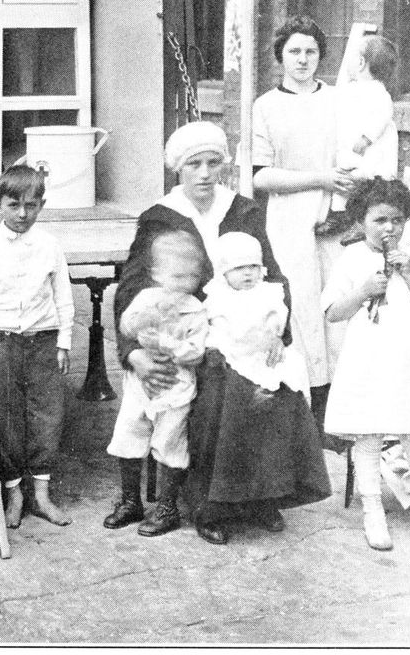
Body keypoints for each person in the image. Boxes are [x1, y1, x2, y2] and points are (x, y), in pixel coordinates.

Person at [113, 121, 329, 545]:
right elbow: (131, 292)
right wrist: (133, 353)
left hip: (245, 330)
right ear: (178, 168)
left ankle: (262, 495)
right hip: (188, 337)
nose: (205, 173)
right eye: (194, 164)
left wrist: (276, 336)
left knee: (279, 390)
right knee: (220, 391)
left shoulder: (242, 210)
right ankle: (211, 505)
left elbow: (273, 275)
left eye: (214, 163)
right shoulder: (160, 217)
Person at [252, 15, 356, 436]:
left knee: (337, 309)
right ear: (280, 55)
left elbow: (355, 161)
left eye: (311, 51)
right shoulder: (266, 106)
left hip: (335, 219)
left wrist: (341, 207)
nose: (302, 59)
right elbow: (261, 176)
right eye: (294, 50)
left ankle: (340, 418)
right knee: (301, 310)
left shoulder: (338, 100)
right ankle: (306, 417)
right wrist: (319, 179)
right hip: (289, 219)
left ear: (320, 56)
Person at [322, 178, 410, 552]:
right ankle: (373, 512)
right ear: (361, 221)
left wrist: (409, 274)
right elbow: (333, 312)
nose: (389, 228)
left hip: (409, 358)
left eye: (397, 220)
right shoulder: (352, 259)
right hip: (368, 359)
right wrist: (363, 291)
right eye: (380, 220)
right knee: (368, 435)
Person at [0, 165, 74, 529]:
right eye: (14, 205)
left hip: (43, 340)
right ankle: (14, 494)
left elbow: (63, 297)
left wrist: (64, 342)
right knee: (6, 417)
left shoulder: (50, 246)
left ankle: (41, 495)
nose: (23, 214)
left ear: (42, 204)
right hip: (1, 342)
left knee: (47, 415)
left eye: (31, 205)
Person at [104, 230, 209, 536]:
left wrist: (168, 344)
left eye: (191, 277)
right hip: (140, 385)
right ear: (157, 274)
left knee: (169, 443)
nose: (183, 284)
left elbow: (196, 352)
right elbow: (126, 326)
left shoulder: (195, 309)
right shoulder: (146, 298)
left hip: (176, 386)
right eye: (176, 276)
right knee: (128, 435)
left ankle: (167, 507)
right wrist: (143, 319)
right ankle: (130, 501)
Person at [202, 231, 310, 401]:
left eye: (253, 266)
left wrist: (275, 333)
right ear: (223, 272)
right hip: (234, 355)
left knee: (293, 367)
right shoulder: (218, 297)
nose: (248, 273)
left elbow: (277, 318)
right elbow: (216, 330)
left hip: (264, 352)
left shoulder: (267, 293)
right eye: (239, 268)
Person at [316, 34, 399, 237]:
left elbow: (383, 116)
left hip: (370, 150)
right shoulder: (350, 89)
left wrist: (367, 137)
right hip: (349, 149)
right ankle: (339, 215)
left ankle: (361, 223)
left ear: (361, 63)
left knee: (367, 184)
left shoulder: (379, 92)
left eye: (352, 57)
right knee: (343, 180)